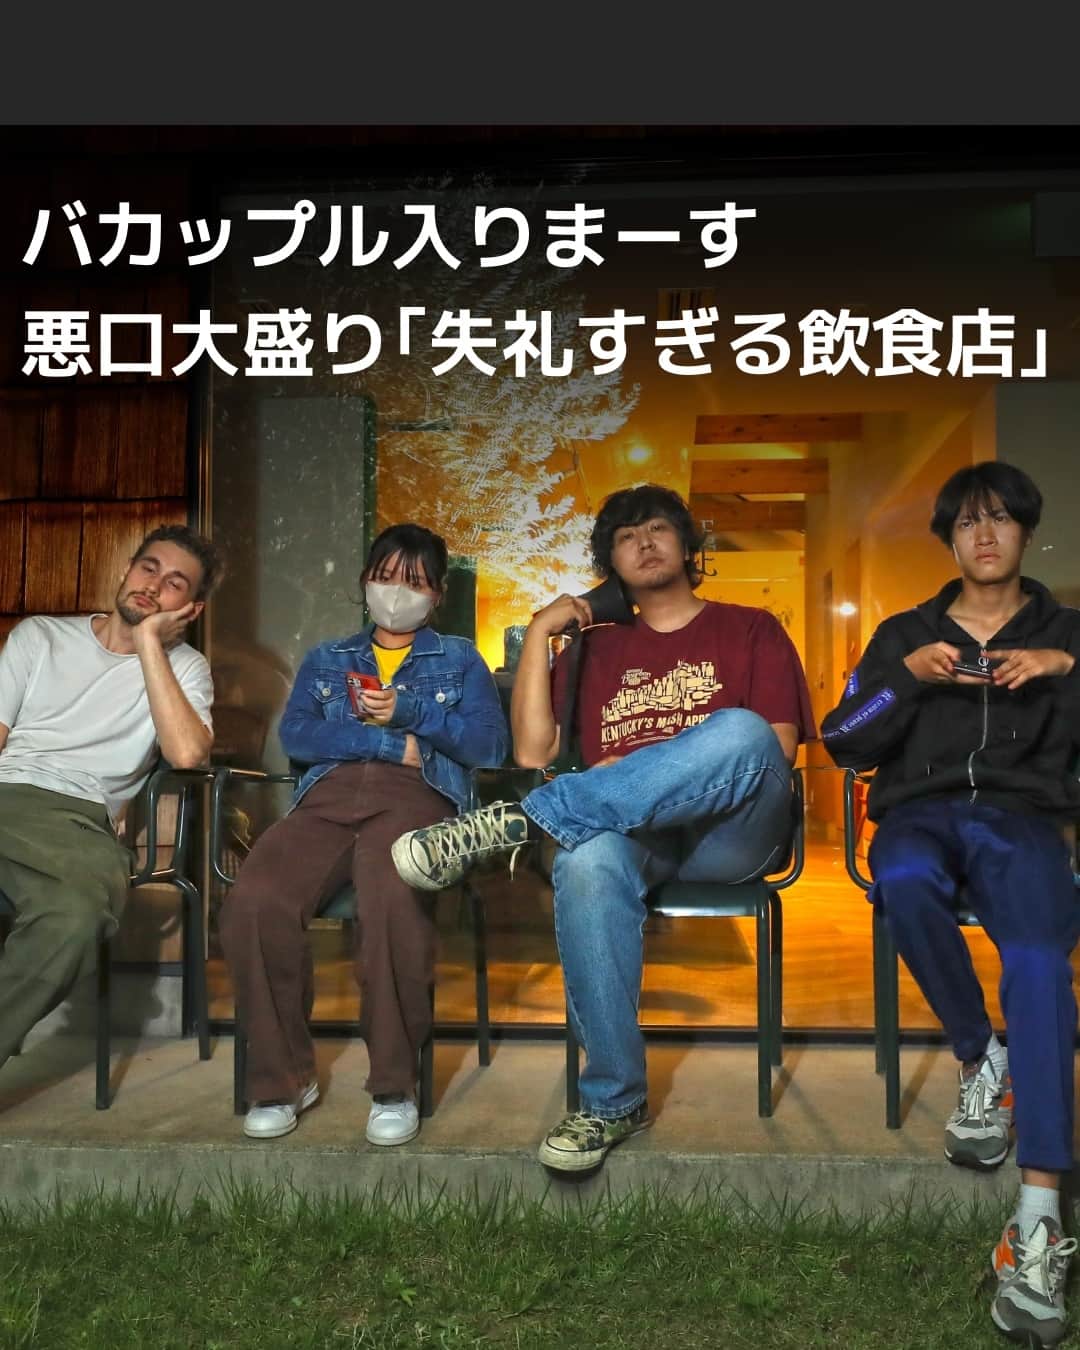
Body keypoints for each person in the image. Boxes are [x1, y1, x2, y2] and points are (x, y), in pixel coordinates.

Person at [392, 485, 814, 1172]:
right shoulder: (595, 650)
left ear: (687, 544)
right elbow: (532, 751)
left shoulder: (751, 628)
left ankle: (521, 824)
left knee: (740, 729)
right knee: (585, 863)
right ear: (609, 563)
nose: (644, 542)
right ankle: (614, 1100)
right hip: (634, 831)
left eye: (658, 528)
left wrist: (639, 767)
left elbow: (775, 748)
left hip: (731, 832)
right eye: (625, 536)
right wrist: (540, 631)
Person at [821, 461, 1080, 1348]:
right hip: (920, 818)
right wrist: (907, 677)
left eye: (1002, 518)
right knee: (900, 880)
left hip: (1022, 822)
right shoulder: (906, 633)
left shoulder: (1066, 633)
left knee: (1039, 964)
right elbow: (843, 741)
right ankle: (981, 1057)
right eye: (969, 522)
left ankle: (1039, 1214)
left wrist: (1066, 666)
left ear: (1026, 532)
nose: (986, 534)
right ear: (949, 540)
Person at [219, 523, 509, 1147]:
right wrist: (387, 743)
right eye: (385, 577)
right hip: (326, 799)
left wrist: (413, 712)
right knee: (255, 899)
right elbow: (297, 734)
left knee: (391, 899)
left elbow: (489, 746)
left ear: (437, 594)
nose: (396, 593)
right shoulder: (328, 657)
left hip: (416, 797)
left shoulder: (460, 659)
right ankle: (282, 1079)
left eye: (415, 582)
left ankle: (394, 1085)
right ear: (364, 581)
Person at [0, 524, 220, 1071]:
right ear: (127, 569)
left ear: (190, 609)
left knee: (75, 919)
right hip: (6, 792)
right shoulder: (40, 636)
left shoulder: (185, 668)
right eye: (149, 568)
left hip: (76, 821)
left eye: (174, 583)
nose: (154, 585)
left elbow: (187, 754)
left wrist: (148, 644)